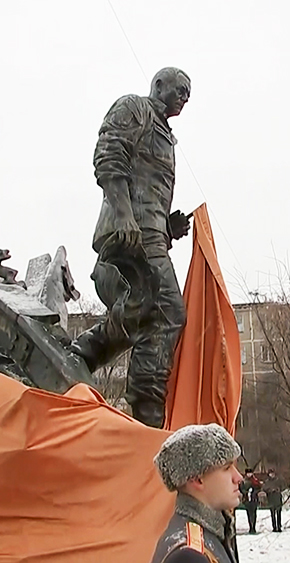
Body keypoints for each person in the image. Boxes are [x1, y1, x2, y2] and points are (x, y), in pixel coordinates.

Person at [69, 67, 193, 428]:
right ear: (159, 86)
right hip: (129, 235)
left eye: (189, 93)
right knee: (169, 312)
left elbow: (147, 193)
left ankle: (87, 351)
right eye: (181, 89)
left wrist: (168, 228)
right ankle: (147, 411)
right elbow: (109, 155)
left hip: (152, 236)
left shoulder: (167, 137)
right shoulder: (134, 108)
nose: (185, 97)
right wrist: (124, 215)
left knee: (146, 313)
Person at [151, 424, 241, 563]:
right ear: (197, 479)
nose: (238, 478)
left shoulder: (212, 533)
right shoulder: (189, 555)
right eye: (227, 468)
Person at [239, 468, 260, 534]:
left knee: (254, 513)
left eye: (250, 473)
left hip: (254, 499)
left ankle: (254, 527)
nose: (249, 474)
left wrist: (254, 491)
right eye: (248, 473)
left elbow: (259, 487)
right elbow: (241, 488)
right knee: (249, 513)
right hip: (247, 499)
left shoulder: (255, 480)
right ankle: (250, 526)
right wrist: (246, 492)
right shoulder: (244, 481)